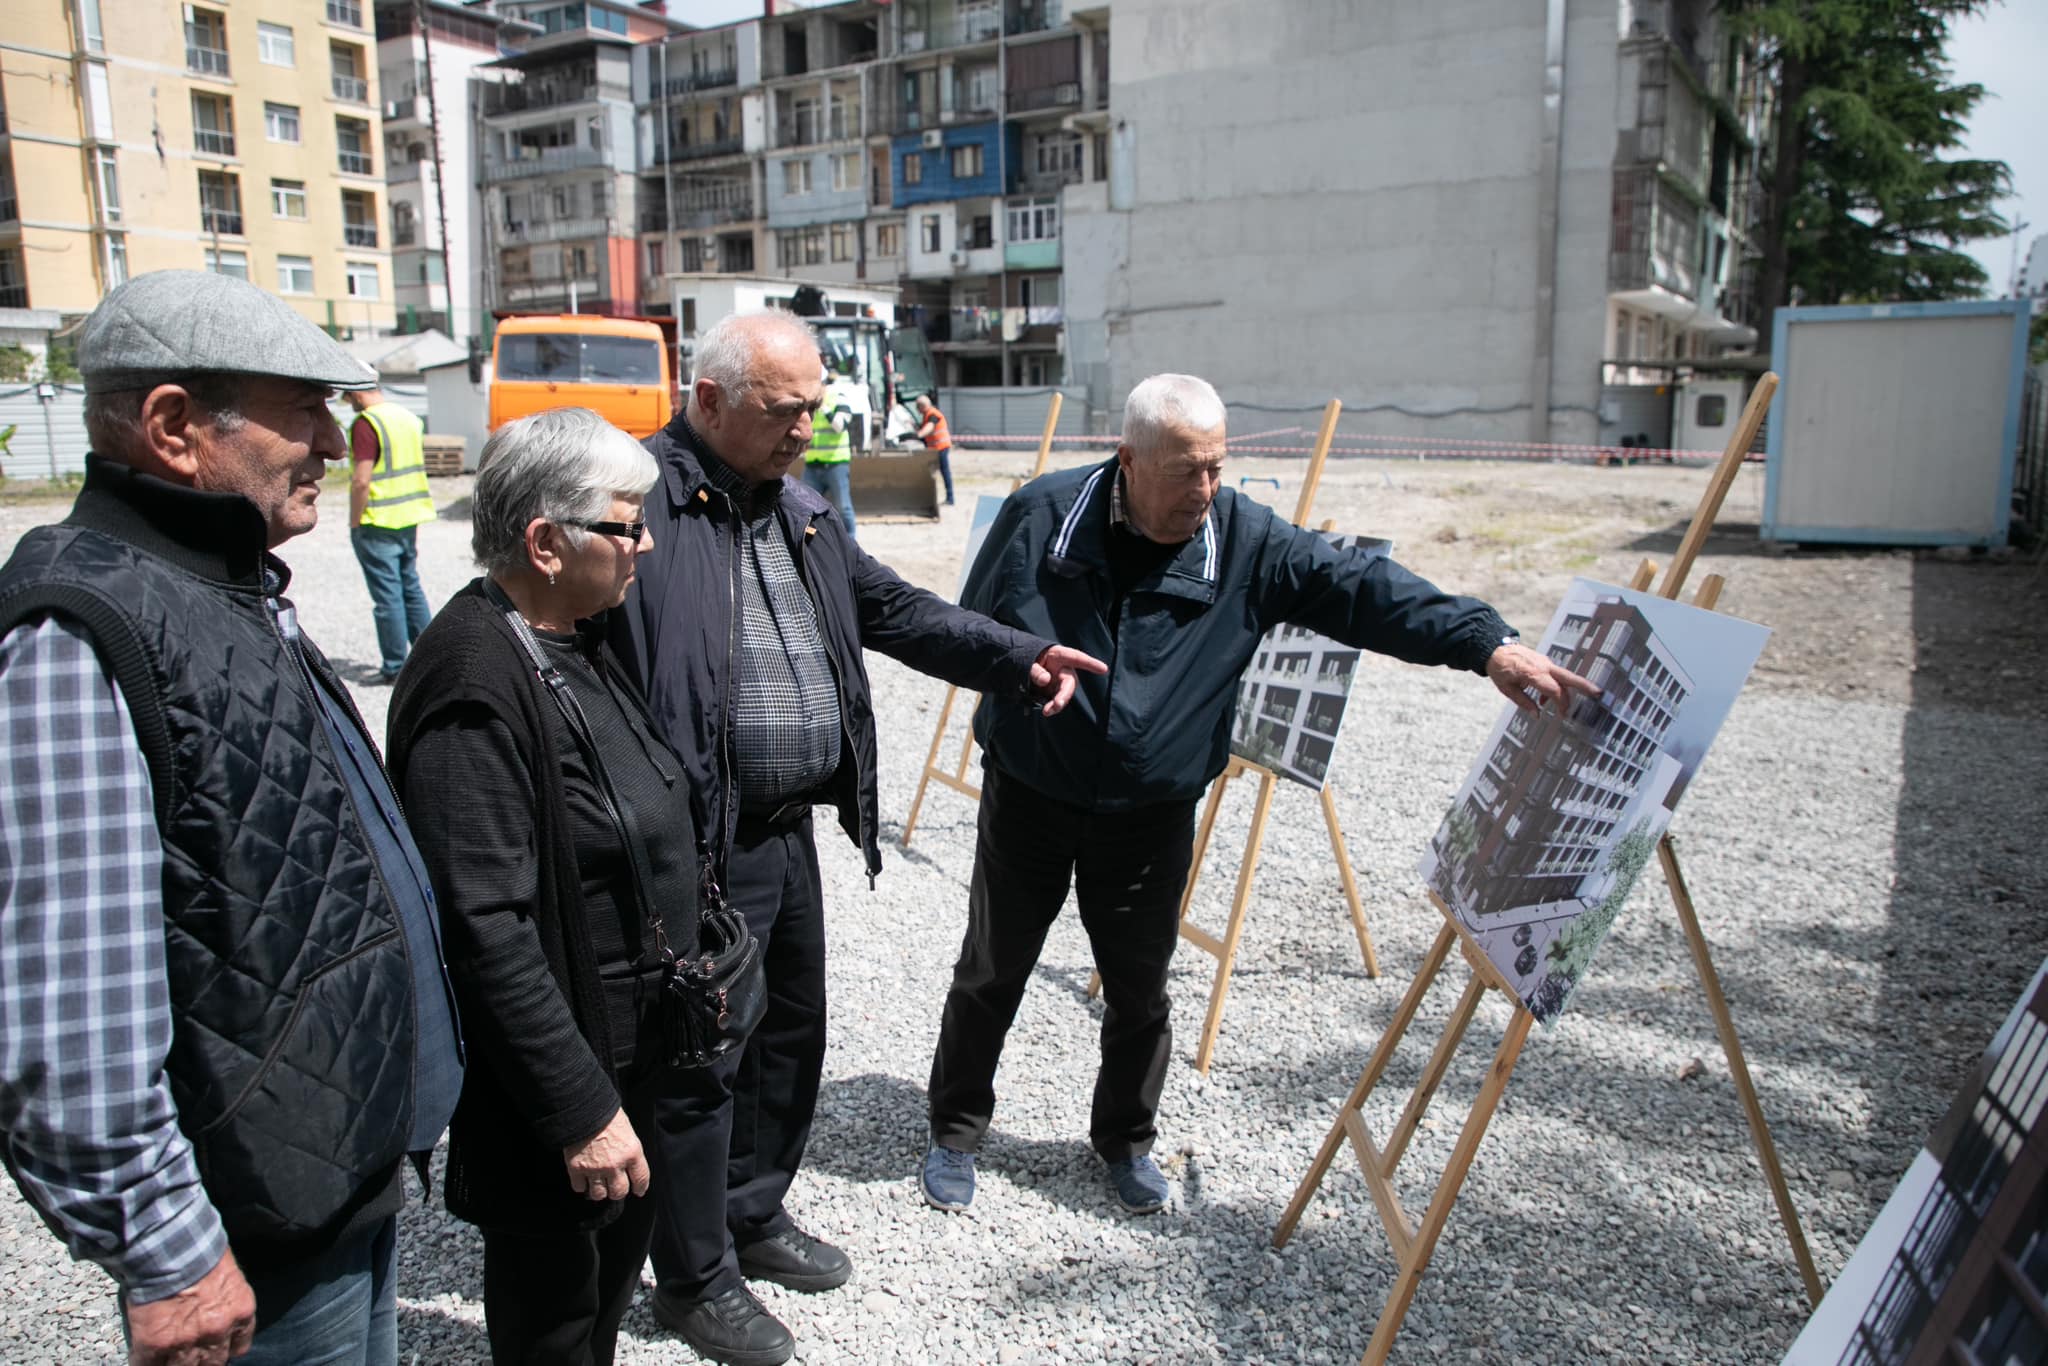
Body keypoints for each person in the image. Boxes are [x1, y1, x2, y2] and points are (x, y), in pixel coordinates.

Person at [918, 373, 1599, 1216]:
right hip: (1030, 794)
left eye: (1216, 467)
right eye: (1184, 471)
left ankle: (1125, 1142)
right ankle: (955, 1127)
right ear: (1128, 460)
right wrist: (1013, 674)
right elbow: (974, 625)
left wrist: (1483, 644)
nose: (1205, 491)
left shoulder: (1244, 538)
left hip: (1151, 818)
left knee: (1141, 991)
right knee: (992, 967)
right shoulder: (1042, 516)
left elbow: (1361, 589)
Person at [610, 311, 1104, 1366]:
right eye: (785, 411)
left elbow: (896, 608)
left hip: (787, 831)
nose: (806, 430)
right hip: (694, 840)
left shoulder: (798, 510)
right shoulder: (634, 502)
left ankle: (753, 1213)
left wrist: (1016, 654)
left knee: (789, 1034)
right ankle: (691, 1276)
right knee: (700, 1057)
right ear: (707, 401)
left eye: (813, 410)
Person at [0, 269, 462, 1365]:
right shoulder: (84, 633)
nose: (332, 444)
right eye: (300, 408)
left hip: (329, 1170)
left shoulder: (219, 581)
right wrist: (163, 1246)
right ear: (172, 427)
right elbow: (67, 1012)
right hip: (244, 1226)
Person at [386, 408, 694, 1365]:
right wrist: (578, 1108)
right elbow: (483, 923)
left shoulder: (573, 632)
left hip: (627, 1048)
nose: (644, 544)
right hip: (564, 1077)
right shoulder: (475, 679)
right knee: (556, 1311)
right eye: (625, 523)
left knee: (605, 1285)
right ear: (544, 542)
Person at [344, 386, 437, 682]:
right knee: (410, 586)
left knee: (387, 596)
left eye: (347, 398)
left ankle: (395, 667)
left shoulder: (367, 423)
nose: (349, 404)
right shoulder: (408, 417)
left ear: (356, 393)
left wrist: (354, 521)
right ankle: (432, 657)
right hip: (409, 515)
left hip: (378, 519)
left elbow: (361, 480)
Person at [802, 362, 858, 535]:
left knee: (844, 508)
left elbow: (839, 426)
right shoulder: (808, 402)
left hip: (836, 464)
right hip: (813, 464)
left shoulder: (838, 398)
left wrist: (824, 408)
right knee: (803, 507)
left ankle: (850, 543)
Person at [913, 393, 954, 506]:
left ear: (923, 406)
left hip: (941, 448)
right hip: (935, 449)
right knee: (934, 473)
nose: (917, 410)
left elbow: (929, 427)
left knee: (945, 472)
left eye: (918, 407)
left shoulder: (933, 414)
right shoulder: (927, 415)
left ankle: (950, 498)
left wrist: (919, 434)